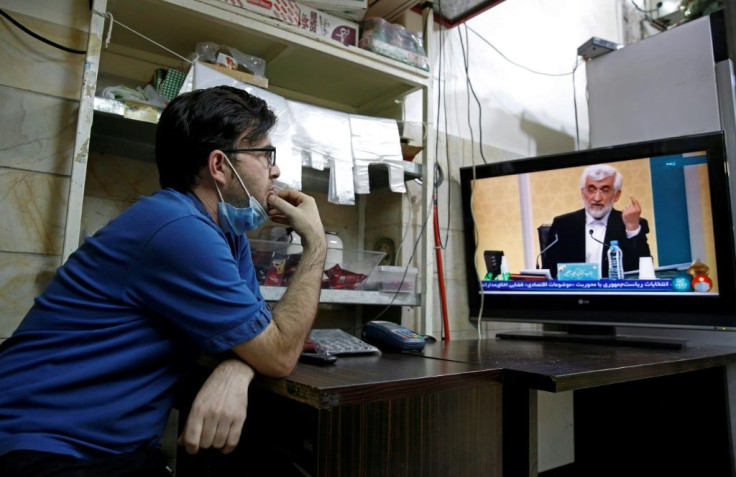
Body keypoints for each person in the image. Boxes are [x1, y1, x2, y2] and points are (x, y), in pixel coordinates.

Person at [0, 85, 327, 476]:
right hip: (42, 444)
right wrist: (316, 242)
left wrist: (236, 369)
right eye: (264, 154)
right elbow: (277, 353)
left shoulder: (226, 233)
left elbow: (258, 340)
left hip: (105, 444)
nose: (274, 169)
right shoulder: (179, 229)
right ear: (220, 166)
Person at [541, 163, 651, 278]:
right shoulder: (563, 224)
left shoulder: (630, 223)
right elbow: (549, 273)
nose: (597, 198)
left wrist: (632, 228)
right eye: (591, 189)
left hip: (616, 294)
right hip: (574, 294)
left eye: (605, 190)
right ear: (583, 193)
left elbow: (644, 273)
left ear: (617, 195)